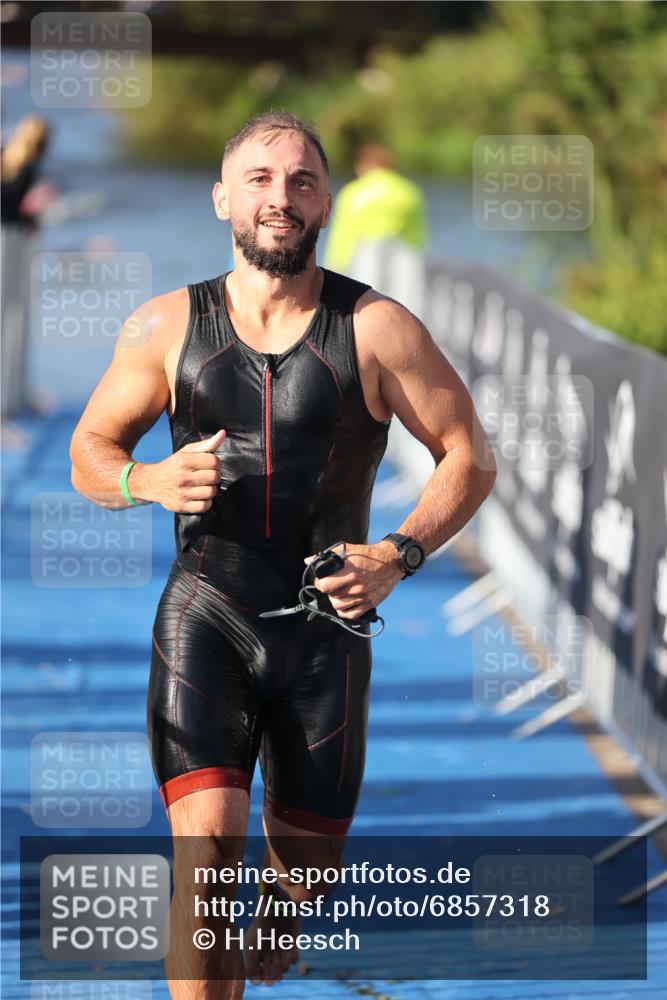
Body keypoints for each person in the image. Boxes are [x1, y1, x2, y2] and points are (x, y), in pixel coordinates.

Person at [69, 111, 496, 996]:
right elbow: (90, 451)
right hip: (205, 618)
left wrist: (397, 554)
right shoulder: (163, 326)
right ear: (222, 196)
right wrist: (145, 483)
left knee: (291, 894)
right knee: (208, 865)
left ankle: (285, 907)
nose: (280, 197)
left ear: (326, 202)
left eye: (301, 180)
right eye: (259, 179)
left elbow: (469, 454)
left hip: (323, 635)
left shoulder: (377, 329)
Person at [323, 141, 428, 274]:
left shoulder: (353, 193)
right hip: (404, 262)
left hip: (366, 260)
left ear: (362, 165)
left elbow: (343, 236)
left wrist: (334, 270)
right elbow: (418, 236)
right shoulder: (409, 191)